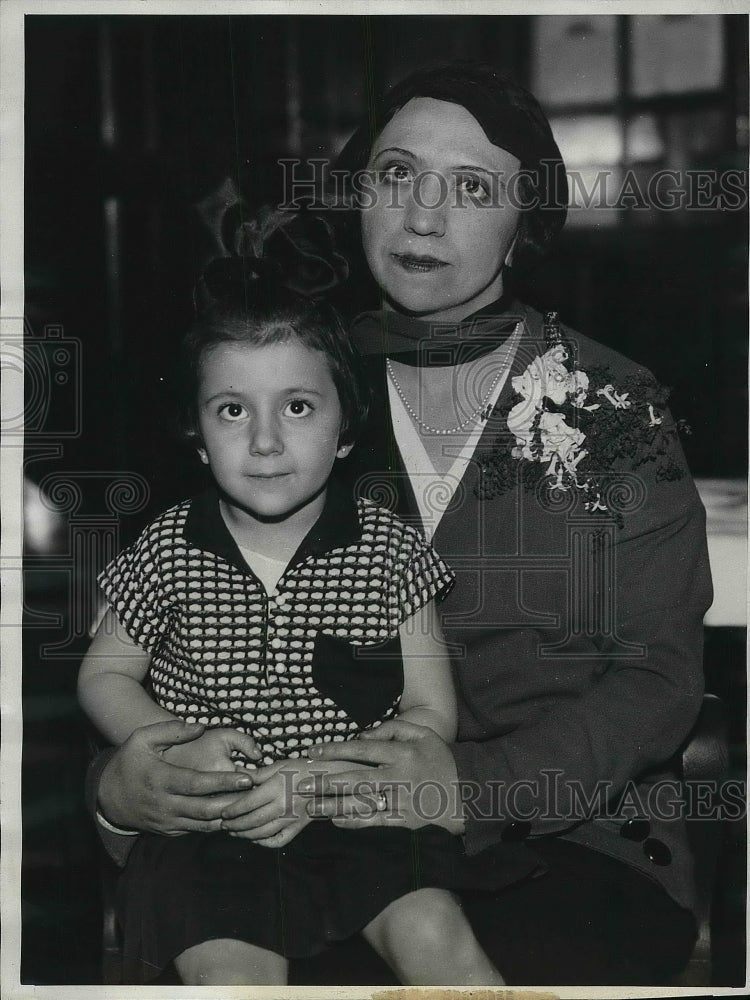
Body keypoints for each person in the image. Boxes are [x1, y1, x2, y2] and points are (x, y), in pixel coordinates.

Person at [87, 62, 713, 985]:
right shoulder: (288, 393)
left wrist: (467, 785)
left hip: (567, 840)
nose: (423, 217)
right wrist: (119, 795)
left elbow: (659, 682)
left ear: (523, 225)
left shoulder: (612, 412)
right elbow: (160, 648)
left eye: (470, 187)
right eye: (395, 176)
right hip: (287, 838)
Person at [78, 239, 537, 986]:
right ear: (197, 436)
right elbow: (103, 677)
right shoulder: (166, 546)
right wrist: (173, 748)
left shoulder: (391, 549)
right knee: (234, 978)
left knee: (439, 940)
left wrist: (324, 777)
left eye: (297, 406)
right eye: (232, 411)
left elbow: (429, 712)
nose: (264, 442)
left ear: (346, 429)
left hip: (357, 815)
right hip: (214, 829)